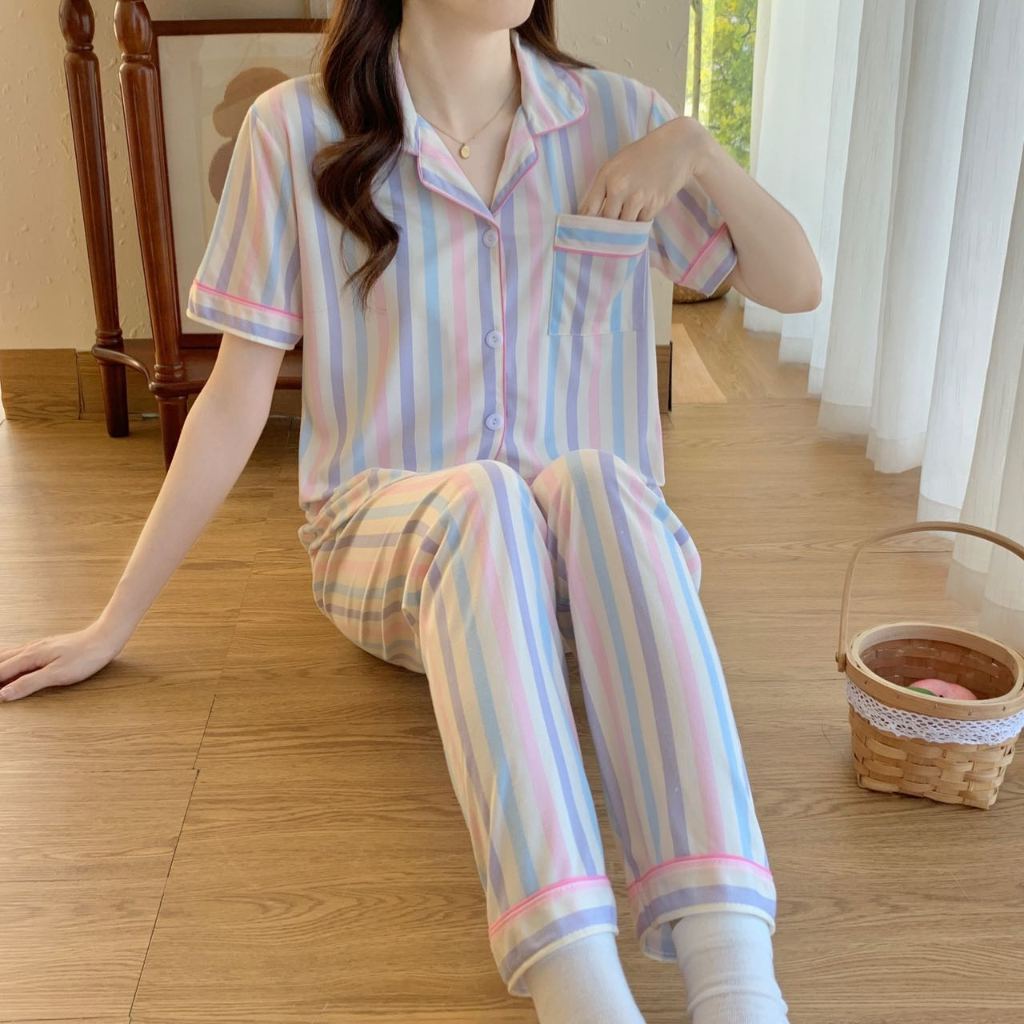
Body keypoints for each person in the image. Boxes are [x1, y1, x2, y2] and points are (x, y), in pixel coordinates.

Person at [0, 1, 821, 1021]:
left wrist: (695, 147)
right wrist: (111, 622)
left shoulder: (622, 119)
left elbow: (796, 286)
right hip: (393, 540)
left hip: (598, 565)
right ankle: (581, 996)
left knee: (597, 478)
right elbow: (235, 397)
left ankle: (740, 989)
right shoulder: (295, 130)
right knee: (487, 498)